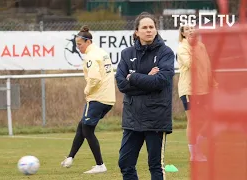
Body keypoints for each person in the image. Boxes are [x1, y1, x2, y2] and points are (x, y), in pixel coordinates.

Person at [115, 12, 175, 180]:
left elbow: (161, 81)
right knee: (125, 162)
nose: (148, 30)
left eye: (151, 27)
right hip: (132, 118)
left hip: (156, 118)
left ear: (156, 30)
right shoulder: (127, 54)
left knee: (155, 166)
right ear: (136, 31)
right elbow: (121, 84)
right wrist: (147, 78)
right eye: (144, 27)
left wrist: (133, 77)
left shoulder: (166, 53)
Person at [61, 25, 116, 174]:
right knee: (83, 126)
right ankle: (70, 157)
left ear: (88, 42)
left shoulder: (90, 56)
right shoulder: (101, 52)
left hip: (98, 97)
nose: (78, 47)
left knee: (87, 129)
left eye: (79, 44)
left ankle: (100, 165)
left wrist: (87, 90)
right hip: (108, 98)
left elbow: (94, 78)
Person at [177, 25, 218, 162]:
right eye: (187, 29)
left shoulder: (201, 45)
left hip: (203, 89)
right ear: (182, 33)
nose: (190, 30)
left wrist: (213, 83)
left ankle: (198, 146)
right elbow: (190, 64)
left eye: (192, 28)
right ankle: (194, 154)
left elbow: (207, 66)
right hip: (189, 89)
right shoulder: (182, 48)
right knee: (193, 121)